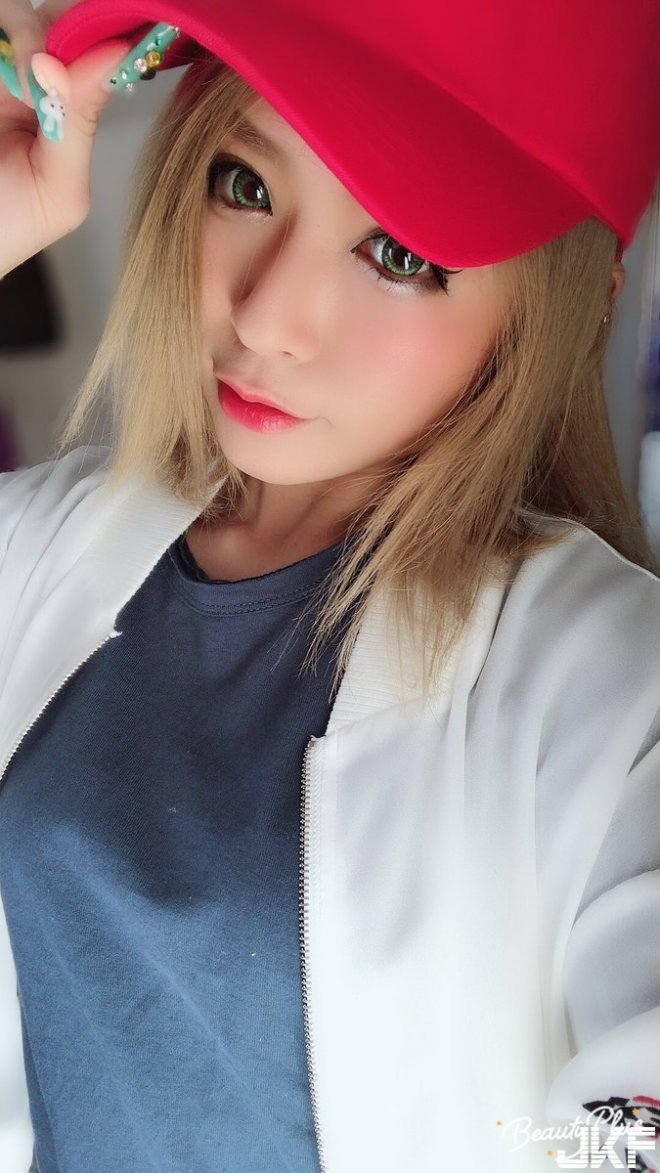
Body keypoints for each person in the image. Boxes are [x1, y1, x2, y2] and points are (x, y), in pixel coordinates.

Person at [0, 1, 659, 1170]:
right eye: (245, 185)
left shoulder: (616, 685)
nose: (267, 319)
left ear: (559, 307)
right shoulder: (50, 545)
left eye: (401, 255)